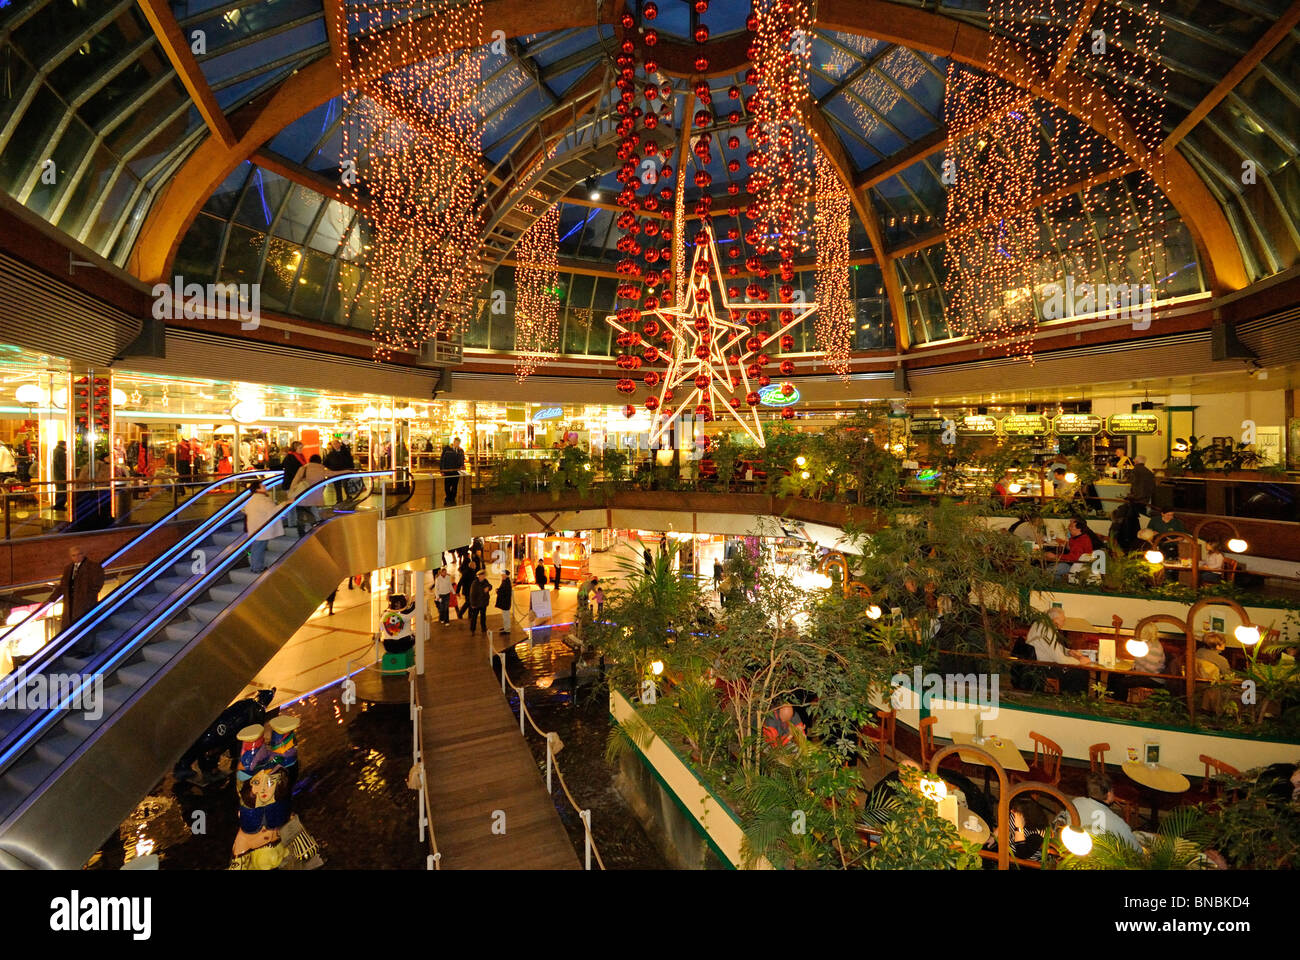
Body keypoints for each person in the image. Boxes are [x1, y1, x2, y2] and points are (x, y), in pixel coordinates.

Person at [48, 546, 105, 656]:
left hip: (85, 603)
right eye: (74, 555)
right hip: (71, 603)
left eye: (79, 554)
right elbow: (63, 586)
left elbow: (97, 585)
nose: (77, 557)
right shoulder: (68, 568)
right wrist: (51, 599)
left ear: (84, 554)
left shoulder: (93, 567)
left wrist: (87, 598)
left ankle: (86, 649)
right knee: (71, 625)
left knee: (85, 625)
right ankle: (73, 647)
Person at [242, 480, 283, 574]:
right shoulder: (262, 499)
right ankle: (257, 567)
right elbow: (273, 511)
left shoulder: (253, 499)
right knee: (259, 548)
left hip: (256, 527)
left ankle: (255, 566)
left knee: (256, 547)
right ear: (258, 489)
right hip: (261, 528)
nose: (265, 487)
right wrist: (285, 503)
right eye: (262, 486)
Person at [288, 453, 332, 533]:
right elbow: (335, 474)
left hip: (302, 496)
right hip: (315, 499)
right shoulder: (322, 470)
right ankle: (315, 531)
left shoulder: (303, 469)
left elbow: (295, 481)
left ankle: (301, 534)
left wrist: (291, 493)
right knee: (314, 514)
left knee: (301, 516)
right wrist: (349, 471)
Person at [440, 437, 466, 506]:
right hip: (448, 470)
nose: (457, 444)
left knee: (455, 485)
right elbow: (442, 459)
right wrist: (442, 470)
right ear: (454, 442)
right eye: (456, 443)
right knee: (447, 485)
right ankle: (448, 497)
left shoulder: (460, 451)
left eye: (458, 443)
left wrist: (462, 466)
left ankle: (452, 498)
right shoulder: (447, 449)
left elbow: (462, 460)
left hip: (456, 471)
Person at [467, 569, 491, 636]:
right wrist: (472, 604)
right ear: (479, 576)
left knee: (483, 616)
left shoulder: (485, 581)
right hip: (477, 604)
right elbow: (472, 594)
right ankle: (472, 629)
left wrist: (488, 588)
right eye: (482, 576)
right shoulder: (475, 583)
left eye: (484, 576)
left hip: (483, 603)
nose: (483, 577)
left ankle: (483, 628)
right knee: (474, 617)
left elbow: (490, 586)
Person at [51, 439, 68, 511]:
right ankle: (59, 505)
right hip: (61, 476)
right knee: (62, 490)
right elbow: (62, 465)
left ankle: (58, 504)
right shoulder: (61, 453)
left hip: (57, 475)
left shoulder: (56, 451)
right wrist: (66, 474)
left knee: (59, 490)